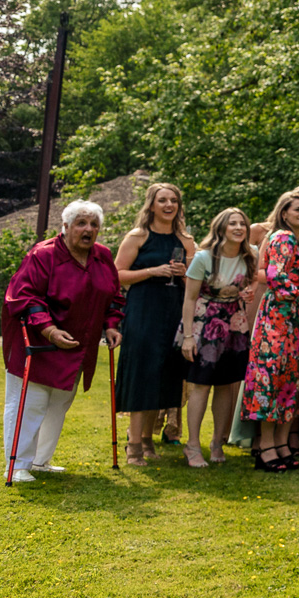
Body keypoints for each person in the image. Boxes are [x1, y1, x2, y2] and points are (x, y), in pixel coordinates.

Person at [1, 200, 124, 482]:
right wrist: (49, 330)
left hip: (77, 347)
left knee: (59, 403)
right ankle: (17, 465)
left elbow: (113, 295)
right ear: (66, 226)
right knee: (29, 402)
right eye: (81, 223)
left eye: (94, 225)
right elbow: (24, 296)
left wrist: (111, 325)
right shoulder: (43, 255)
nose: (88, 229)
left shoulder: (102, 256)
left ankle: (40, 461)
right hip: (38, 343)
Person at [114, 182, 198, 466]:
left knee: (162, 375)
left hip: (173, 313)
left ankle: (148, 438)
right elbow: (116, 275)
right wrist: (152, 271)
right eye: (162, 200)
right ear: (151, 205)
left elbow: (196, 285)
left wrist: (184, 273)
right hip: (142, 311)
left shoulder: (186, 240)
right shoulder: (138, 236)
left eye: (173, 200)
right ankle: (134, 445)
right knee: (142, 375)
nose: (168, 205)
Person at [240, 190, 299, 472]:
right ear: (284, 213)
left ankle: (283, 444)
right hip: (279, 317)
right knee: (272, 377)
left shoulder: (296, 241)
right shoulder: (282, 237)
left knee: (293, 379)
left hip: (297, 320)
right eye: (297, 209)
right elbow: (276, 276)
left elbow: (296, 275)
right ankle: (265, 447)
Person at [178, 207, 255, 467]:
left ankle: (217, 442)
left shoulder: (250, 255)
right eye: (232, 223)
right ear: (221, 228)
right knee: (200, 384)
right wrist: (188, 337)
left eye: (242, 224)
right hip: (204, 324)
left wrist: (246, 294)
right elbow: (189, 298)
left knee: (226, 384)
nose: (238, 228)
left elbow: (249, 285)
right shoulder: (203, 258)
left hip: (235, 325)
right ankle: (192, 445)